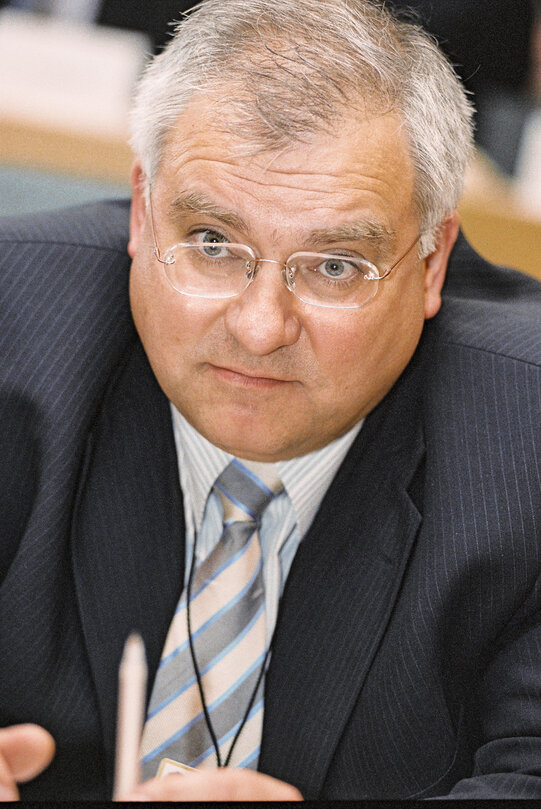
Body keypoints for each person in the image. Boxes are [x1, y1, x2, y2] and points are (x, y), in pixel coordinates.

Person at [0, 0, 540, 801]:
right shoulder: (15, 325)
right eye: (213, 244)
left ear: (431, 264)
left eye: (332, 266)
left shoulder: (523, 431)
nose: (259, 328)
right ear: (144, 214)